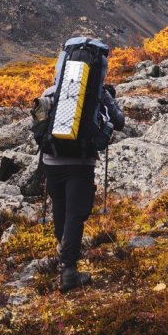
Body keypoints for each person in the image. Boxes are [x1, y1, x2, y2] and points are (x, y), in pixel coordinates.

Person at [43, 81, 125, 293]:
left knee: (59, 207)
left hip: (51, 160)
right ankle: (68, 270)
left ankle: (64, 250)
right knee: (75, 214)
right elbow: (119, 121)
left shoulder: (52, 90)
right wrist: (107, 97)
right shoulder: (98, 91)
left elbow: (39, 120)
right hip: (80, 163)